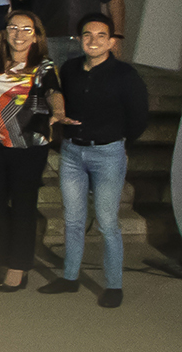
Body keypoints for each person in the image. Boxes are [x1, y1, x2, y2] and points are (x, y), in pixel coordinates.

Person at [42, 17, 147, 308]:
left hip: (108, 154)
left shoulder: (125, 75)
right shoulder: (72, 69)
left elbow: (139, 116)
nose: (94, 40)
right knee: (73, 220)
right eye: (87, 34)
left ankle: (114, 284)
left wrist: (121, 141)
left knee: (107, 222)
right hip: (73, 153)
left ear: (111, 41)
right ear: (80, 39)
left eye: (101, 35)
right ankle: (69, 277)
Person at [0, 11, 57, 291]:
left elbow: (52, 92)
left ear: (36, 36)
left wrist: (59, 111)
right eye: (14, 28)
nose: (19, 34)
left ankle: (18, 266)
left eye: (26, 29)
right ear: (5, 32)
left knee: (23, 205)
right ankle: (6, 257)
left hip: (29, 145)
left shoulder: (43, 66)